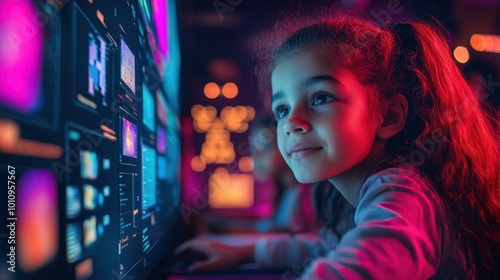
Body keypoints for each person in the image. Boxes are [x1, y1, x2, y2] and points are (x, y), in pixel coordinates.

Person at [176, 10, 500, 279]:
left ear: (388, 116)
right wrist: (247, 250)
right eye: (282, 110)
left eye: (320, 97)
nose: (291, 123)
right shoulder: (350, 194)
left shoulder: (402, 190)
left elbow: (357, 268)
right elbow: (328, 245)